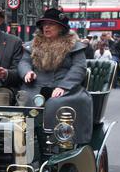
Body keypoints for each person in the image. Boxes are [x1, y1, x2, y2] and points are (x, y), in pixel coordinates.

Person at [18, 8, 93, 144]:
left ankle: (58, 142)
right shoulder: (32, 45)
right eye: (44, 24)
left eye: (51, 24)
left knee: (56, 104)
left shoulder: (74, 46)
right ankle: (24, 141)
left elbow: (79, 68)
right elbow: (24, 61)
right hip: (35, 86)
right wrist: (27, 72)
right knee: (24, 101)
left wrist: (64, 86)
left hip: (66, 88)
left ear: (61, 28)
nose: (46, 27)